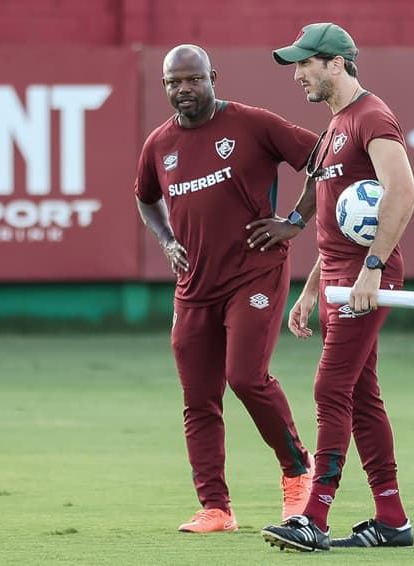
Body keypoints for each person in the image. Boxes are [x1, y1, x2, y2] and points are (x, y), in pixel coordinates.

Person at [135, 44, 320, 534]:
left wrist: (295, 222)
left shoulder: (252, 124)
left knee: (245, 377)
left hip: (254, 272)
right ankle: (216, 508)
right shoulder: (159, 145)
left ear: (212, 76)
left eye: (192, 79)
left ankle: (299, 470)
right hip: (194, 286)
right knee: (199, 397)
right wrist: (166, 239)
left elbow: (324, 159)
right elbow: (145, 198)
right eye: (173, 83)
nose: (183, 90)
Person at [260, 23, 414, 551]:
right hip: (337, 280)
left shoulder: (371, 116)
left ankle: (315, 517)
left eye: (306, 63)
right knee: (362, 397)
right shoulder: (333, 127)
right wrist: (310, 288)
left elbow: (404, 191)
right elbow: (336, 226)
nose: (298, 74)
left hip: (365, 281)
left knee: (330, 389)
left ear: (337, 63)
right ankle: (391, 520)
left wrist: (372, 267)